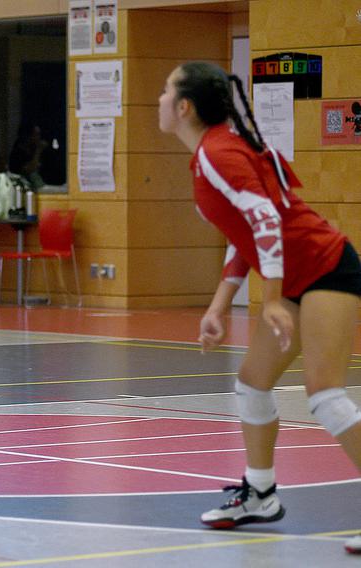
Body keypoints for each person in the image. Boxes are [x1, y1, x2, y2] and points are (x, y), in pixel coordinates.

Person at [158, 61, 361, 554]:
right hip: (290, 277)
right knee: (251, 384)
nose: (159, 99)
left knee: (325, 395)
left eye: (165, 91)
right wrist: (219, 306)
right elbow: (243, 235)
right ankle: (261, 493)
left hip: (325, 266)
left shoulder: (217, 154)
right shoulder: (213, 151)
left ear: (184, 107)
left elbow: (267, 220)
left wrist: (268, 299)